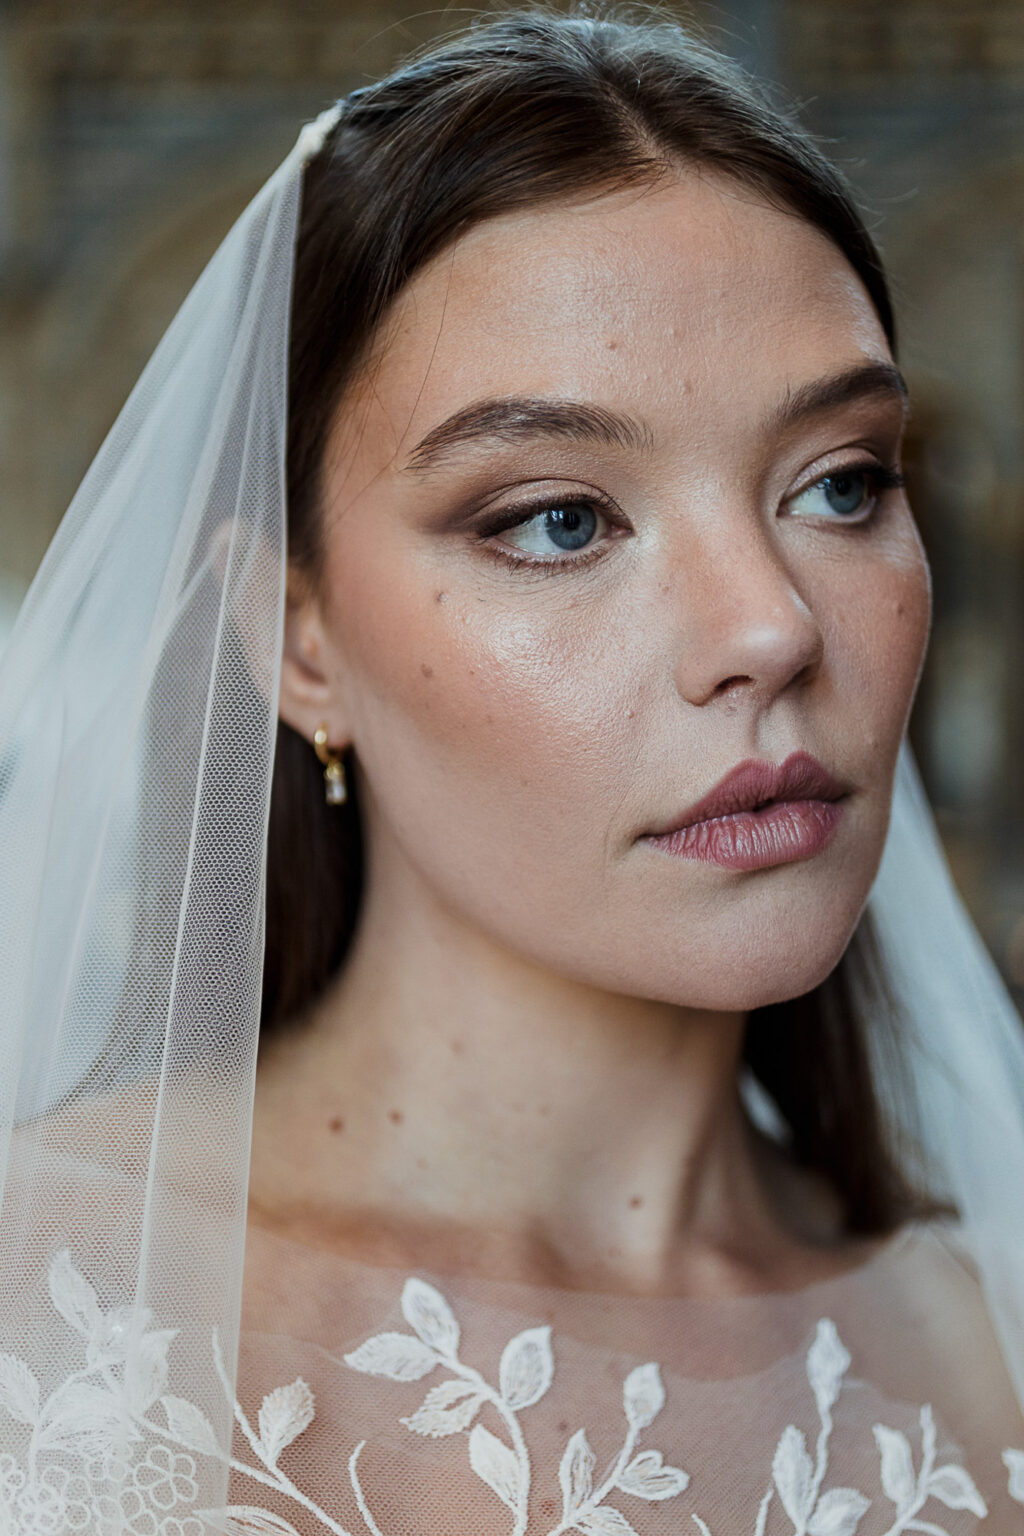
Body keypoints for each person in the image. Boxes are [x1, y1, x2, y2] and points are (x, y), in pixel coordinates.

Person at [1, 9, 1024, 1534]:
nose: (770, 626)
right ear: (300, 645)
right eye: (557, 518)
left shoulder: (984, 1338)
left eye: (840, 483)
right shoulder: (45, 1309)